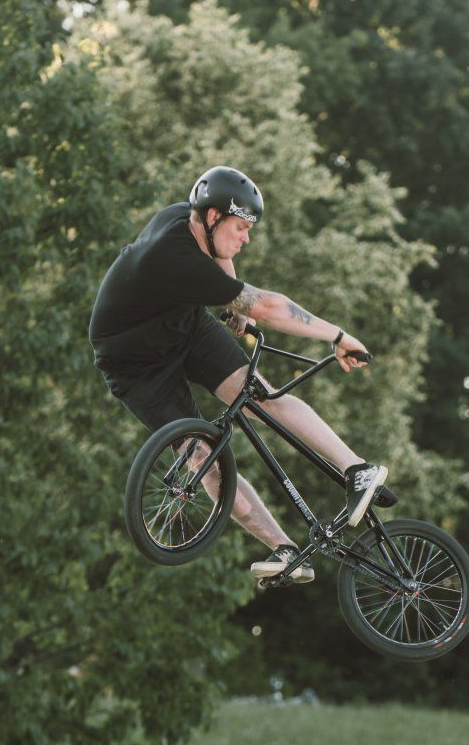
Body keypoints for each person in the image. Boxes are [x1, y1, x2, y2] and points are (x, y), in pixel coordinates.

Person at [89, 166, 392, 584]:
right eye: (241, 226)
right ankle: (285, 550)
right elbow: (266, 307)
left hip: (184, 329)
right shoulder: (172, 257)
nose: (247, 237)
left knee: (260, 399)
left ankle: (358, 470)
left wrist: (232, 308)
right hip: (134, 367)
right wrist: (337, 336)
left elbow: (223, 255)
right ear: (213, 217)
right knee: (199, 462)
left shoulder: (188, 217)